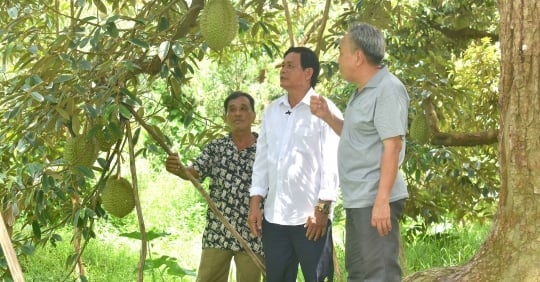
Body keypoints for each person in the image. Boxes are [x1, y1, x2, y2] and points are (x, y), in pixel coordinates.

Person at [310, 22, 410, 281]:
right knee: (359, 273)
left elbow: (393, 145)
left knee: (379, 274)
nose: (339, 59)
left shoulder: (387, 89)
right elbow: (357, 137)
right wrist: (328, 117)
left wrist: (382, 201)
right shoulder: (362, 92)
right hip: (359, 200)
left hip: (374, 200)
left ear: (357, 57)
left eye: (342, 52)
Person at [248, 46, 342, 282]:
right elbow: (262, 160)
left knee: (318, 278)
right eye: (283, 65)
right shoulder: (272, 111)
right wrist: (255, 202)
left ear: (308, 72)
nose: (283, 71)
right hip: (274, 218)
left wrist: (322, 208)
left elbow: (332, 160)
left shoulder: (324, 110)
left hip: (310, 219)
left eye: (290, 66)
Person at [165, 91, 264, 282]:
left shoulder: (265, 149)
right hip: (217, 231)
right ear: (226, 116)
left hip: (254, 234)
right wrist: (179, 169)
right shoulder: (216, 147)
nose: (237, 114)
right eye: (232, 110)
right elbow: (196, 172)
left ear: (253, 115)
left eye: (243, 109)